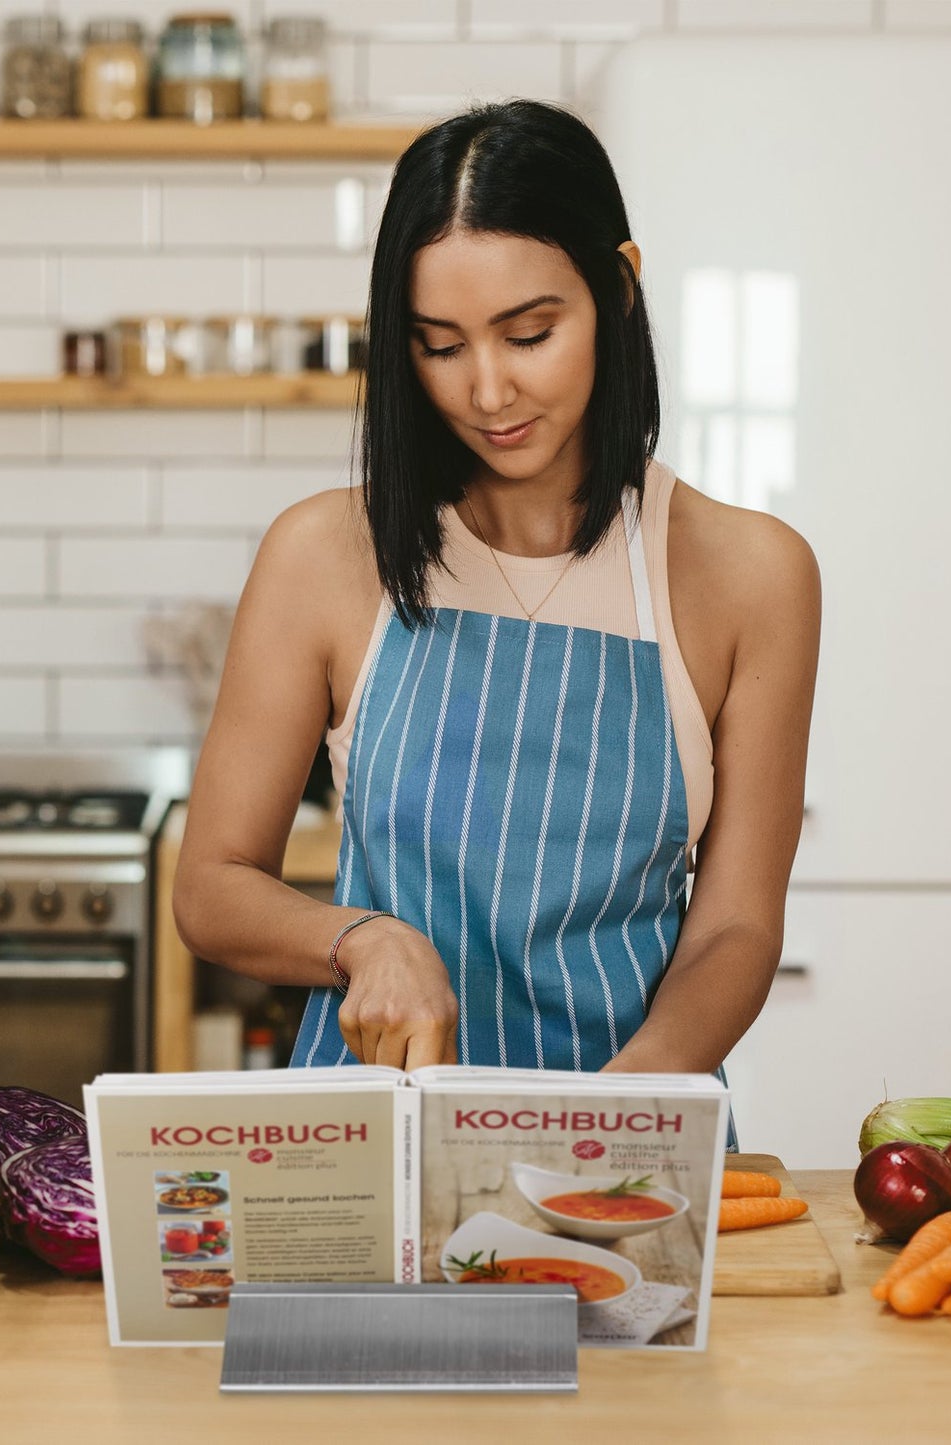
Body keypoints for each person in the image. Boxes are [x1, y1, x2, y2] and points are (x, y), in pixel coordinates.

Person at [173, 100, 820, 1118]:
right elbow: (212, 883)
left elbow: (735, 924)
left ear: (617, 288)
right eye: (439, 346)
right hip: (372, 1142)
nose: (485, 391)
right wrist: (360, 937)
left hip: (628, 1141)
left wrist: (623, 1107)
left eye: (528, 334)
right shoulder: (322, 555)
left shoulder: (750, 574)